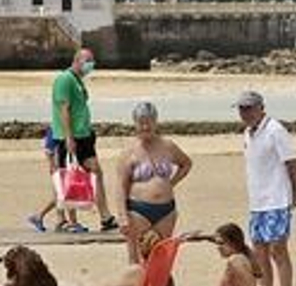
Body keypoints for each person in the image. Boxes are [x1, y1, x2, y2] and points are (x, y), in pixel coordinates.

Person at [238, 91, 296, 286]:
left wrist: (295, 194)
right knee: (260, 254)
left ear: (260, 108)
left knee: (279, 251)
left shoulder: (275, 130)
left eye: (249, 108)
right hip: (257, 203)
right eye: (241, 109)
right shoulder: (247, 133)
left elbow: (293, 165)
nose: (244, 113)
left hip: (277, 200)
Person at [116, 101, 193, 262]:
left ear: (155, 122)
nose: (145, 127)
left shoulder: (168, 146)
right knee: (136, 256)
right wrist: (122, 216)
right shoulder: (128, 152)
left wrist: (171, 183)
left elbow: (186, 164)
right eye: (141, 123)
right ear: (135, 124)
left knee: (162, 257)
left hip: (166, 210)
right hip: (138, 209)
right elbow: (121, 187)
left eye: (149, 122)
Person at [51, 47, 117, 232]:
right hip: (72, 137)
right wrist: (68, 137)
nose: (90, 65)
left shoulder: (78, 81)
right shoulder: (65, 79)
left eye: (92, 60)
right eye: (87, 60)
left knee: (96, 171)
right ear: (77, 60)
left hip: (85, 136)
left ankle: (106, 217)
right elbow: (63, 110)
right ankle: (68, 220)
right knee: (68, 177)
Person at [25, 129, 83, 233]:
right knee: (66, 194)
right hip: (60, 168)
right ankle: (72, 222)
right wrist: (53, 166)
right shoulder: (55, 130)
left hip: (62, 167)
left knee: (62, 195)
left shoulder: (57, 129)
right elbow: (50, 151)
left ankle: (61, 220)